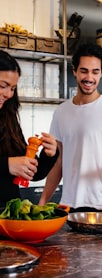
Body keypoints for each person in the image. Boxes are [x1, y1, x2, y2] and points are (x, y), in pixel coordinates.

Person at [39, 43, 102, 212]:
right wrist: (42, 202)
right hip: (69, 206)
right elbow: (58, 162)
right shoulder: (61, 112)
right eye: (84, 71)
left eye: (95, 71)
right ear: (74, 71)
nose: (89, 77)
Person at [0, 50, 59, 207]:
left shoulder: (8, 119)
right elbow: (9, 165)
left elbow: (33, 174)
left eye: (12, 88)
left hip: (9, 216)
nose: (8, 94)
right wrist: (7, 165)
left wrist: (49, 154)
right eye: (3, 86)